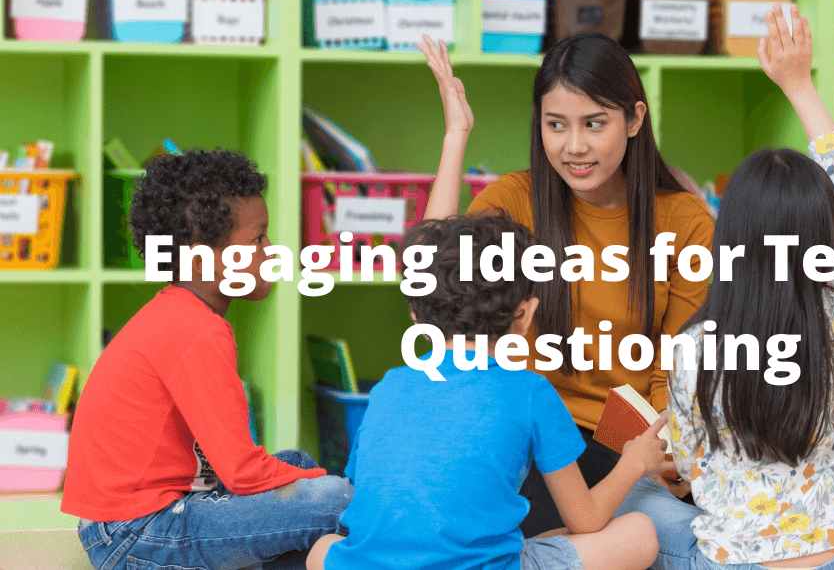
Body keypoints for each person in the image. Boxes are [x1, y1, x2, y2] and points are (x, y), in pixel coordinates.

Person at [616, 4, 834, 570]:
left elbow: (688, 469)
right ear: (825, 237)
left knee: (635, 497)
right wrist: (799, 83)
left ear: (727, 234)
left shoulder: (693, 349)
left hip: (731, 561)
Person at [416, 33, 714, 534]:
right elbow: (434, 284)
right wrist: (455, 136)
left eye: (594, 124)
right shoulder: (515, 199)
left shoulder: (684, 220)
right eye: (556, 125)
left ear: (635, 119)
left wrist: (669, 450)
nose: (574, 146)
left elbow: (678, 368)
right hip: (518, 435)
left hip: (620, 449)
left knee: (678, 536)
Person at [306, 212, 670, 570]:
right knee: (639, 533)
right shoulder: (530, 391)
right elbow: (586, 520)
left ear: (416, 314)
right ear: (525, 316)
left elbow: (367, 506)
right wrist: (635, 463)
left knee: (323, 547)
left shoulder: (389, 386)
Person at [63, 150, 352, 570]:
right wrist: (336, 487)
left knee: (297, 465)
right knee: (335, 497)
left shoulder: (179, 312)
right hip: (135, 535)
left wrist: (309, 479)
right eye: (257, 239)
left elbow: (228, 466)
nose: (271, 252)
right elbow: (242, 473)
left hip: (132, 522)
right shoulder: (197, 329)